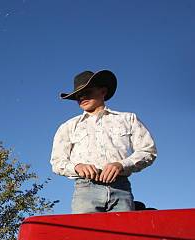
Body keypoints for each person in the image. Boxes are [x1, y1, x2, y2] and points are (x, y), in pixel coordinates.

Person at [50, 70, 157, 214]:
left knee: (125, 235)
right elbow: (57, 162)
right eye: (78, 95)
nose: (81, 97)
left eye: (87, 91)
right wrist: (77, 166)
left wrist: (121, 164)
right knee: (86, 235)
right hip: (85, 189)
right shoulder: (68, 126)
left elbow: (147, 151)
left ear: (103, 91)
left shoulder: (128, 119)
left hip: (121, 188)